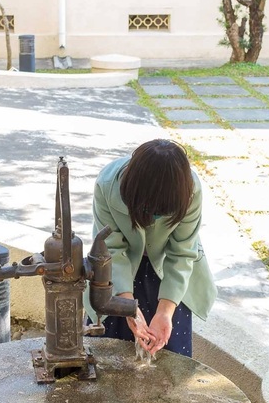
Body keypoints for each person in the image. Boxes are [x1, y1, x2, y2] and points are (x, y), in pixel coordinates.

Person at [85, 140, 217, 358]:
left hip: (167, 267)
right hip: (118, 267)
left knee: (170, 350)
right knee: (106, 351)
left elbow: (182, 252)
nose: (153, 219)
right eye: (148, 210)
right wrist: (126, 307)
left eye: (163, 213)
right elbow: (112, 250)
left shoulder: (189, 190)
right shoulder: (107, 184)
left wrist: (165, 312)